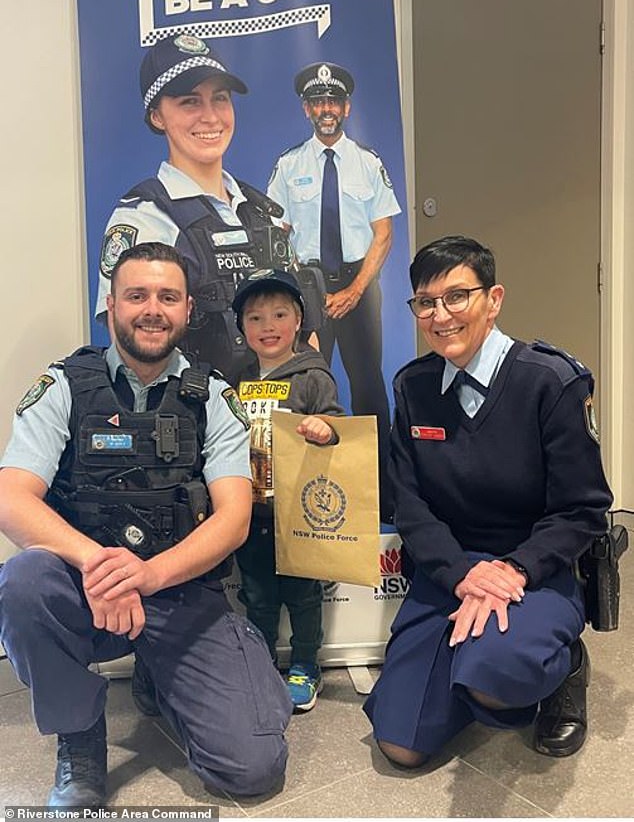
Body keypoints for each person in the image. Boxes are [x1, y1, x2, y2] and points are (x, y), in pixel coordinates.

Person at [0, 243, 293, 809]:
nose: (151, 308)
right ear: (110, 306)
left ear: (186, 312)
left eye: (167, 297)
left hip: (181, 594)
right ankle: (80, 738)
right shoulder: (63, 387)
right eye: (136, 295)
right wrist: (100, 566)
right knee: (24, 581)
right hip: (86, 590)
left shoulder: (212, 398)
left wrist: (148, 576)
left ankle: (173, 676)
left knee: (253, 768)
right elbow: (12, 499)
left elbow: (232, 518)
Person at [364, 235, 613, 766]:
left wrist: (515, 571)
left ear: (493, 299)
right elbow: (408, 504)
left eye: (457, 296)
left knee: (495, 677)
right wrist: (460, 574)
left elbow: (583, 508)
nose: (441, 315)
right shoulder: (414, 387)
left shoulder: (551, 382)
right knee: (400, 746)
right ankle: (466, 669)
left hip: (531, 570)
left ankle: (563, 664)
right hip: (451, 570)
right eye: (426, 302)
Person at [95, 33, 300, 378]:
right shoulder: (145, 219)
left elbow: (303, 331)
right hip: (197, 422)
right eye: (190, 102)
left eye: (220, 99)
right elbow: (130, 352)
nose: (210, 117)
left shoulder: (261, 210)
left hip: (277, 420)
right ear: (157, 116)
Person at [266, 62, 401, 521]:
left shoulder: (368, 163)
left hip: (360, 287)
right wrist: (303, 295)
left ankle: (381, 493)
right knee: (307, 389)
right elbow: (276, 233)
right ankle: (311, 494)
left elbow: (383, 234)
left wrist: (355, 290)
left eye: (333, 101)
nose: (326, 109)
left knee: (368, 388)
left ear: (346, 107)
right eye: (317, 102)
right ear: (307, 109)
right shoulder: (289, 166)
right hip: (309, 291)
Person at [231, 268, 345, 712]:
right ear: (242, 328)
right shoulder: (237, 381)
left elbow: (339, 427)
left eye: (279, 314)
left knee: (302, 595)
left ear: (298, 321)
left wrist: (325, 426)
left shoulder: (315, 376)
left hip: (299, 512)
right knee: (256, 595)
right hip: (252, 511)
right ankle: (260, 662)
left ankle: (305, 665)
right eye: (255, 318)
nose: (268, 326)